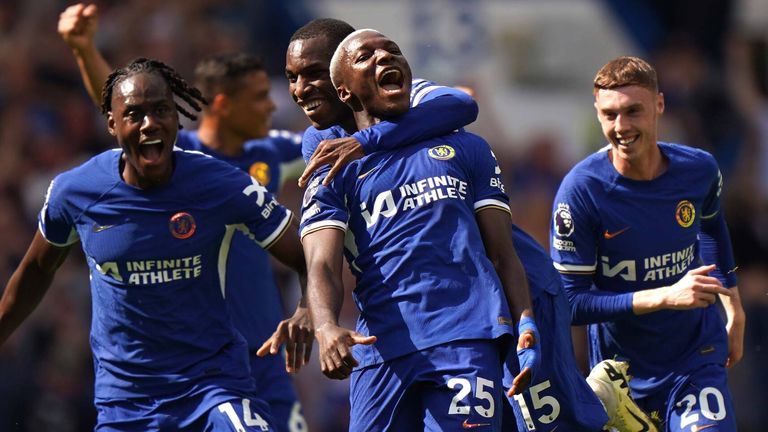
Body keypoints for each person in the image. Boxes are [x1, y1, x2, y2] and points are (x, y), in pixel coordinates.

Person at [0, 58, 310, 430]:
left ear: (177, 118)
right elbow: (36, 269)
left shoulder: (221, 185)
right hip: (125, 403)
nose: (150, 124)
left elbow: (305, 255)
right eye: (134, 114)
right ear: (112, 124)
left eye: (161, 110)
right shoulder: (75, 192)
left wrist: (309, 308)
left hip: (211, 389)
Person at [298, 28, 541, 431]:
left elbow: (501, 252)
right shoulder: (332, 163)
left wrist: (526, 320)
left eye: (392, 50)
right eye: (365, 57)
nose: (384, 58)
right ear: (344, 92)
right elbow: (321, 262)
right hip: (379, 348)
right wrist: (325, 326)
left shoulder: (466, 147)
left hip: (466, 338)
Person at [550, 56, 745, 431]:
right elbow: (569, 303)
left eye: (633, 111)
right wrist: (666, 295)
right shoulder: (581, 193)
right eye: (609, 115)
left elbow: (711, 230)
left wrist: (734, 308)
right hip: (622, 376)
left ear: (659, 104)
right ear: (597, 113)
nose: (620, 126)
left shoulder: (699, 169)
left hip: (695, 356)